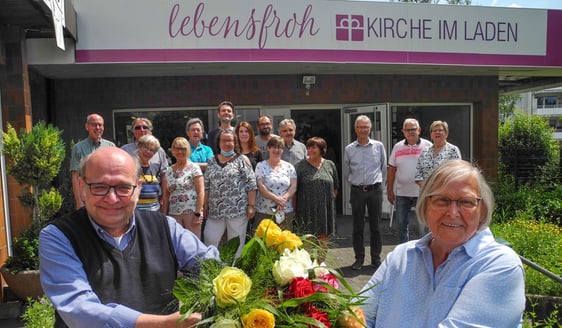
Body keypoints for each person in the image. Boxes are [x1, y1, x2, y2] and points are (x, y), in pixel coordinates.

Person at [39, 147, 220, 328]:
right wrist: (164, 324)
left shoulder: (165, 227)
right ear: (81, 187)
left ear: (138, 188)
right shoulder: (59, 237)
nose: (112, 198)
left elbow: (211, 267)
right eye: (99, 187)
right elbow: (81, 310)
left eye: (124, 187)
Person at [360, 160, 525, 327]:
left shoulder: (500, 265)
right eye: (442, 200)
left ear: (482, 211)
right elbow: (355, 316)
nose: (453, 213)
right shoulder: (400, 256)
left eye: (466, 202)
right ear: (425, 206)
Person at [203, 129, 257, 257]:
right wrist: (205, 206)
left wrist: (251, 206)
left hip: (237, 211)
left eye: (230, 140)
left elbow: (251, 184)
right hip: (215, 211)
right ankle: (211, 268)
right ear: (219, 142)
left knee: (236, 243)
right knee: (210, 239)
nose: (227, 143)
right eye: (224, 140)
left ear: (235, 142)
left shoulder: (242, 160)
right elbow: (206, 186)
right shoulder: (211, 161)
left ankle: (235, 271)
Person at [343, 115, 387, 270]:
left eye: (366, 127)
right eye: (360, 127)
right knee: (358, 227)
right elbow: (347, 171)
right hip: (357, 191)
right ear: (355, 129)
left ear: (370, 128)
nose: (363, 130)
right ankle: (359, 259)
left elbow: (383, 168)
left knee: (376, 227)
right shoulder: (349, 149)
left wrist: (377, 182)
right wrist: (356, 184)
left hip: (375, 191)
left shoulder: (378, 146)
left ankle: (376, 259)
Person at [387, 118, 432, 243]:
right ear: (403, 131)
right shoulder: (397, 147)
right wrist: (389, 190)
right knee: (401, 226)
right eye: (408, 129)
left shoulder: (428, 146)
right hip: (402, 193)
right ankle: (404, 253)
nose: (411, 132)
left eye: (413, 129)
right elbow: (391, 169)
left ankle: (424, 253)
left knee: (423, 227)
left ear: (419, 130)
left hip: (422, 193)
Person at [295, 137, 339, 262]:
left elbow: (335, 186)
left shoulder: (330, 164)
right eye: (308, 147)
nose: (310, 150)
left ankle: (320, 265)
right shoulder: (300, 166)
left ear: (322, 149)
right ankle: (308, 267)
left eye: (313, 147)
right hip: (306, 208)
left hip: (325, 209)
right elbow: (295, 188)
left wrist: (328, 202)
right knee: (307, 238)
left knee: (323, 237)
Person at [70, 113, 115, 210]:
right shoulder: (78, 148)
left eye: (100, 125)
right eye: (94, 125)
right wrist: (79, 202)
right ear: (87, 127)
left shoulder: (111, 147)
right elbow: (75, 176)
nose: (98, 127)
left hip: (106, 195)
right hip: (87, 196)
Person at [161, 137, 204, 239]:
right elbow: (166, 197)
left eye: (183, 149)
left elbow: (201, 192)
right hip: (174, 214)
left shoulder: (194, 168)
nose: (180, 151)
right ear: (173, 150)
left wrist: (198, 214)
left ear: (188, 150)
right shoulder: (168, 171)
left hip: (191, 213)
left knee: (193, 244)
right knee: (176, 245)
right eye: (176, 148)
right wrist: (164, 216)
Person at [254, 136, 297, 231]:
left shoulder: (289, 166)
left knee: (284, 242)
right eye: (274, 147)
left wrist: (283, 200)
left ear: (283, 149)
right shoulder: (260, 166)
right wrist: (277, 199)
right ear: (268, 148)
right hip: (264, 211)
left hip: (284, 210)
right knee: (263, 242)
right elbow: (261, 187)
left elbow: (293, 186)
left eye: (280, 147)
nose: (276, 150)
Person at [415, 120, 461, 188]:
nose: (437, 132)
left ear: (446, 133)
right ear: (431, 135)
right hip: (426, 192)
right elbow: (418, 174)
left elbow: (456, 172)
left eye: (440, 130)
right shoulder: (425, 151)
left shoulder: (453, 150)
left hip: (445, 191)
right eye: (434, 131)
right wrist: (427, 187)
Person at [136, 135, 165, 212]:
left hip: (155, 212)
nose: (148, 152)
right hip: (137, 214)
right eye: (145, 147)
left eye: (152, 150)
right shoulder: (131, 166)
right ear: (139, 147)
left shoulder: (155, 167)